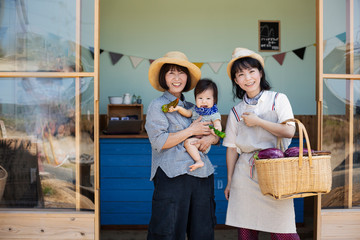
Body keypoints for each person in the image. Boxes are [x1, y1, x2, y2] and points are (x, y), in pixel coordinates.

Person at [223, 47, 300, 240]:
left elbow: (290, 130)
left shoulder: (278, 99)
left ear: (260, 73)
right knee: (246, 234)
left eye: (251, 71)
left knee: (284, 233)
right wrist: (230, 181)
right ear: (236, 80)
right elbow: (232, 148)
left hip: (276, 172)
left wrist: (258, 122)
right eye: (241, 74)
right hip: (245, 176)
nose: (247, 78)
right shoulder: (236, 111)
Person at [145, 51, 219, 239]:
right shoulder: (157, 105)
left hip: (202, 176)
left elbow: (216, 133)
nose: (177, 78)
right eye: (171, 73)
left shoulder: (195, 106)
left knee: (202, 233)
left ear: (188, 77)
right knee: (167, 233)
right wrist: (190, 131)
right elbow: (159, 142)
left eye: (181, 73)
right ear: (163, 77)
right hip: (172, 178)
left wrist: (211, 138)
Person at [167, 78, 222, 171]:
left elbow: (218, 124)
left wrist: (215, 129)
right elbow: (188, 113)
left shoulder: (214, 113)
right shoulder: (195, 110)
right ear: (195, 98)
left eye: (208, 98)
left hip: (204, 141)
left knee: (188, 143)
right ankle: (198, 160)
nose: (204, 101)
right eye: (200, 98)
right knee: (188, 143)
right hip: (195, 138)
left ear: (214, 99)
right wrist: (178, 109)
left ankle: (199, 161)